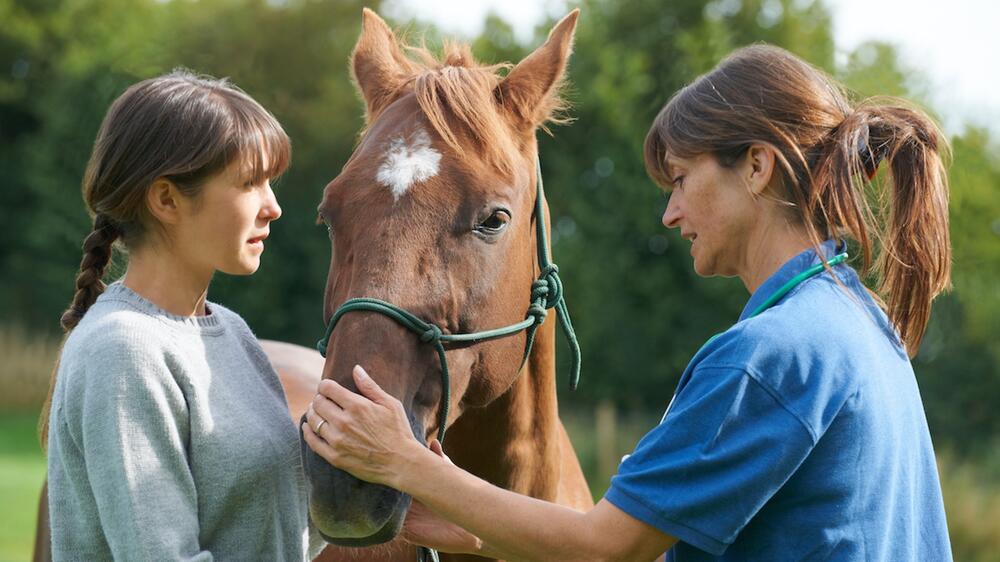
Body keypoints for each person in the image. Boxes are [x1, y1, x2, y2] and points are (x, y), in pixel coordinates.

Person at [301, 44, 954, 561]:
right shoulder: (859, 322)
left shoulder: (766, 357)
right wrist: (475, 528)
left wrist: (406, 463)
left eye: (682, 179)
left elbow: (608, 551)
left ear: (757, 167)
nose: (670, 214)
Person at [43, 70, 325, 561]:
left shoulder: (233, 333)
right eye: (250, 183)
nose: (274, 207)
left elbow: (273, 540)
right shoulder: (122, 350)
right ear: (167, 199)